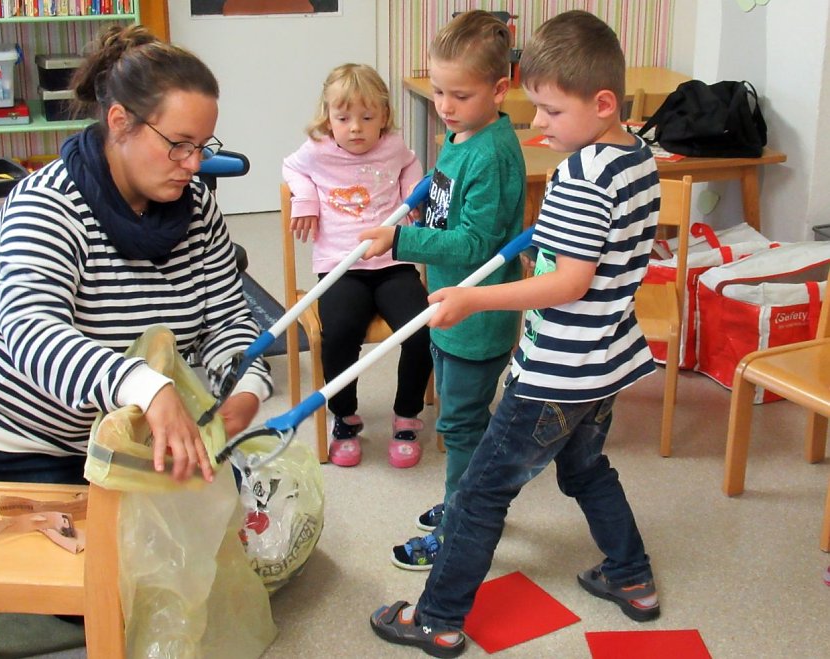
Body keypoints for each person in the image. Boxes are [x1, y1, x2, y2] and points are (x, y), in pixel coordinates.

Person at [369, 10, 661, 656]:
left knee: (479, 493)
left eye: (552, 112)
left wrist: (475, 297)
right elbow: (588, 257)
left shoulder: (581, 176)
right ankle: (631, 575)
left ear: (603, 103)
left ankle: (437, 618)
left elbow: (569, 282)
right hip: (606, 360)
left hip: (557, 370)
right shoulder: (637, 157)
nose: (539, 125)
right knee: (585, 469)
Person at [0, 25, 272, 486]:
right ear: (119, 121)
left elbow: (226, 320)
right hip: (25, 444)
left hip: (134, 436)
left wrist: (244, 388)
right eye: (178, 144)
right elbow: (31, 331)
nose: (194, 164)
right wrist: (143, 385)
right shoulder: (46, 206)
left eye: (202, 146)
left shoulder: (196, 207)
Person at [359, 10, 524, 569]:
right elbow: (449, 190)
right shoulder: (464, 133)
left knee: (460, 424)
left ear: (499, 89)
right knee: (460, 419)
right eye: (438, 92)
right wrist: (422, 203)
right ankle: (470, 503)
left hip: (476, 318)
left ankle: (462, 526)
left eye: (460, 95)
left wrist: (402, 239)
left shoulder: (493, 154)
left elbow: (476, 242)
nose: (445, 106)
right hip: (450, 307)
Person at [282, 63, 432, 468]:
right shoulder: (317, 150)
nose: (355, 128)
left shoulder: (393, 146)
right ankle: (345, 417)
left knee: (422, 330)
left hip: (393, 262)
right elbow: (291, 168)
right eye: (343, 118)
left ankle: (407, 415)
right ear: (327, 117)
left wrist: (410, 193)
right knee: (339, 334)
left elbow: (411, 165)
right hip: (340, 267)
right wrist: (305, 199)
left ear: (384, 116)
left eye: (367, 118)